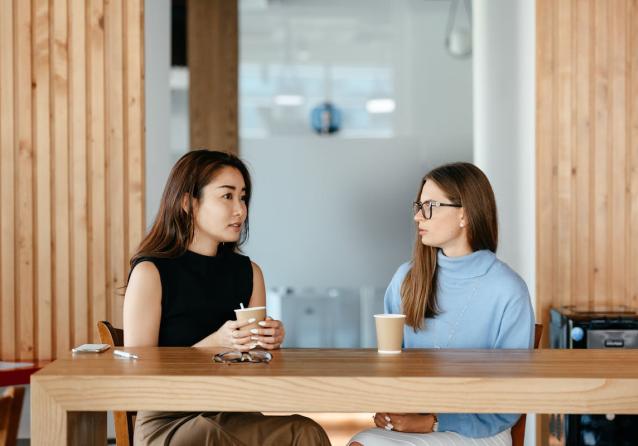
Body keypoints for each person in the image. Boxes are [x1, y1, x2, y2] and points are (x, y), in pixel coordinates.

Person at [124, 149, 330, 446]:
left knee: (306, 431)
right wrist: (214, 344)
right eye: (227, 196)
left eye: (243, 197)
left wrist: (268, 343)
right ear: (187, 203)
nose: (240, 210)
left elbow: (258, 367)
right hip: (169, 420)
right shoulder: (151, 272)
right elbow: (139, 372)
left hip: (234, 411)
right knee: (212, 436)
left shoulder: (249, 273)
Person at [349, 162, 534, 446]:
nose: (417, 217)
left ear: (465, 214)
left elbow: (510, 399)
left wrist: (433, 421)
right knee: (362, 442)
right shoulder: (406, 279)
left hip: (481, 431)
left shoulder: (508, 290)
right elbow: (390, 365)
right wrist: (391, 408)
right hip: (415, 422)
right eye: (418, 205)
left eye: (430, 206)